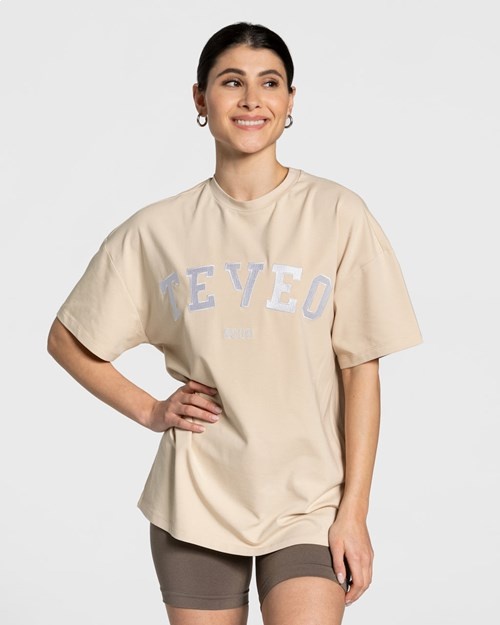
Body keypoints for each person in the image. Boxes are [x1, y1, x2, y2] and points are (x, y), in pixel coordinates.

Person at [47, 21, 423, 625]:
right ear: (201, 98)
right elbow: (68, 338)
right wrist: (150, 410)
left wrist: (354, 511)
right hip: (196, 500)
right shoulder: (158, 230)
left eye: (270, 83)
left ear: (290, 101)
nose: (252, 99)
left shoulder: (337, 214)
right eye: (231, 82)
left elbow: (361, 372)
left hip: (310, 502)